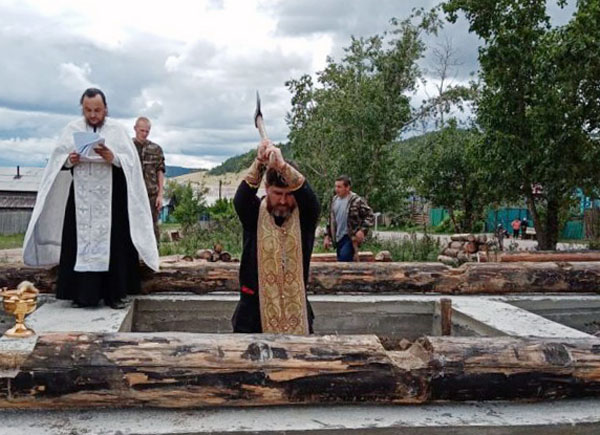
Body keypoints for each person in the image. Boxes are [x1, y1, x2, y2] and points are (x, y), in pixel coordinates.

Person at [23, 88, 159, 308]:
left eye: (97, 110)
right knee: (78, 242)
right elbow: (57, 160)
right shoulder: (72, 129)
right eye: (88, 110)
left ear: (105, 109)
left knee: (114, 243)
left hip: (111, 197)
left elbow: (131, 163)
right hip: (81, 197)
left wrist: (112, 157)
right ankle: (82, 295)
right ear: (82, 109)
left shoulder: (117, 130)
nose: (93, 115)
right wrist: (70, 159)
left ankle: (114, 295)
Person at [231, 140, 320, 334]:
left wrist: (282, 167)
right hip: (252, 313)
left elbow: (311, 200)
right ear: (266, 188)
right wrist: (260, 162)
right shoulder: (254, 213)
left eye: (289, 194)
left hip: (296, 310)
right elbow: (241, 199)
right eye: (277, 193)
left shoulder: (304, 217)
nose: (283, 200)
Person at [323, 175, 375, 261]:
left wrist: (362, 230)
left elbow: (370, 215)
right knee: (342, 261)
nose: (336, 189)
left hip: (350, 237)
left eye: (339, 187)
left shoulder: (356, 200)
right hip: (338, 238)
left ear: (347, 188)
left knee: (344, 260)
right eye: (335, 186)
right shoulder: (334, 200)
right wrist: (327, 236)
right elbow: (331, 220)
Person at [133, 117, 165, 244]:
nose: (144, 134)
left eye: (147, 131)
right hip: (133, 195)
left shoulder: (155, 149)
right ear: (135, 129)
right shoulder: (128, 148)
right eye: (142, 131)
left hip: (150, 194)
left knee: (152, 227)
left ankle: (154, 256)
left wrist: (160, 195)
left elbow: (160, 171)